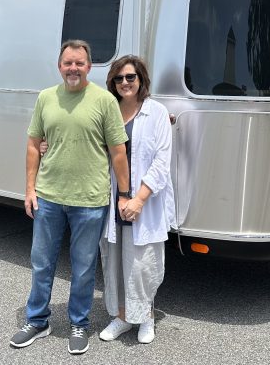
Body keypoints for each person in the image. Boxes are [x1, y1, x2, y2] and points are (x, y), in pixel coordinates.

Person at [9, 40, 131, 355]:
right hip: (49, 197)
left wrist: (124, 194)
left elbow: (118, 152)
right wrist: (30, 189)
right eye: (68, 63)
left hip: (90, 200)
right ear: (59, 66)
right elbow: (34, 145)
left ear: (89, 66)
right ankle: (37, 321)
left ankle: (79, 323)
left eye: (79, 63)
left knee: (84, 267)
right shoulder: (46, 98)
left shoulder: (104, 101)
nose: (73, 68)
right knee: (41, 263)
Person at [97, 55, 174, 344]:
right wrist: (46, 144)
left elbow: (161, 161)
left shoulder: (156, 112)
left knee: (143, 264)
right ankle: (122, 317)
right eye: (119, 78)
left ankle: (145, 317)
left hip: (144, 200)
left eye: (131, 77)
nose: (125, 82)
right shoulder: (108, 110)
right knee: (115, 261)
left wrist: (139, 199)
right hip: (113, 199)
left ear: (141, 79)